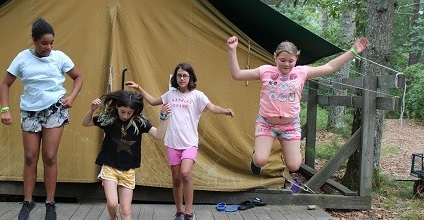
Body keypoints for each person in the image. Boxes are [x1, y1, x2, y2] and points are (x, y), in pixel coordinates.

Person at [226, 36, 368, 175]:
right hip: (266, 123)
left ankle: (290, 150)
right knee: (260, 161)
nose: (286, 64)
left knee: (294, 166)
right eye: (282, 60)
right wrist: (232, 50)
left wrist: (353, 52)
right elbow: (237, 74)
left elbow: (329, 67)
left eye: (290, 61)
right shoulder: (265, 71)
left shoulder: (302, 72)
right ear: (275, 57)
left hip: (290, 125)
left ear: (296, 60)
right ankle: (257, 156)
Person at [125, 63, 235, 220]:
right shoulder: (171, 94)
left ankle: (189, 212)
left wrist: (224, 111)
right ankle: (179, 211)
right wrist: (138, 87)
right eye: (179, 75)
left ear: (190, 77)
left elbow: (212, 107)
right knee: (176, 179)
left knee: (186, 173)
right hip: (172, 143)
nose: (182, 78)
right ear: (175, 78)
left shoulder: (198, 95)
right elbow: (152, 101)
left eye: (185, 75)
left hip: (190, 143)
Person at [0, 18, 84, 220]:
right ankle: (28, 201)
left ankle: (50, 202)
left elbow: (78, 77)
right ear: (34, 41)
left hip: (55, 109)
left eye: (51, 43)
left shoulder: (59, 57)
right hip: (30, 111)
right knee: (30, 157)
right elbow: (4, 85)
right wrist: (5, 109)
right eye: (44, 43)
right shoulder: (22, 58)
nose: (48, 47)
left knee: (50, 157)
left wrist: (71, 97)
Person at [82, 90, 170, 220]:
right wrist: (92, 110)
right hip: (110, 167)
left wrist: (163, 117)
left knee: (126, 210)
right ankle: (113, 218)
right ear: (117, 106)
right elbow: (86, 123)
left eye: (129, 113)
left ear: (135, 110)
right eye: (122, 111)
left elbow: (159, 135)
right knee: (112, 203)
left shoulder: (139, 122)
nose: (125, 115)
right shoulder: (109, 119)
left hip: (128, 170)